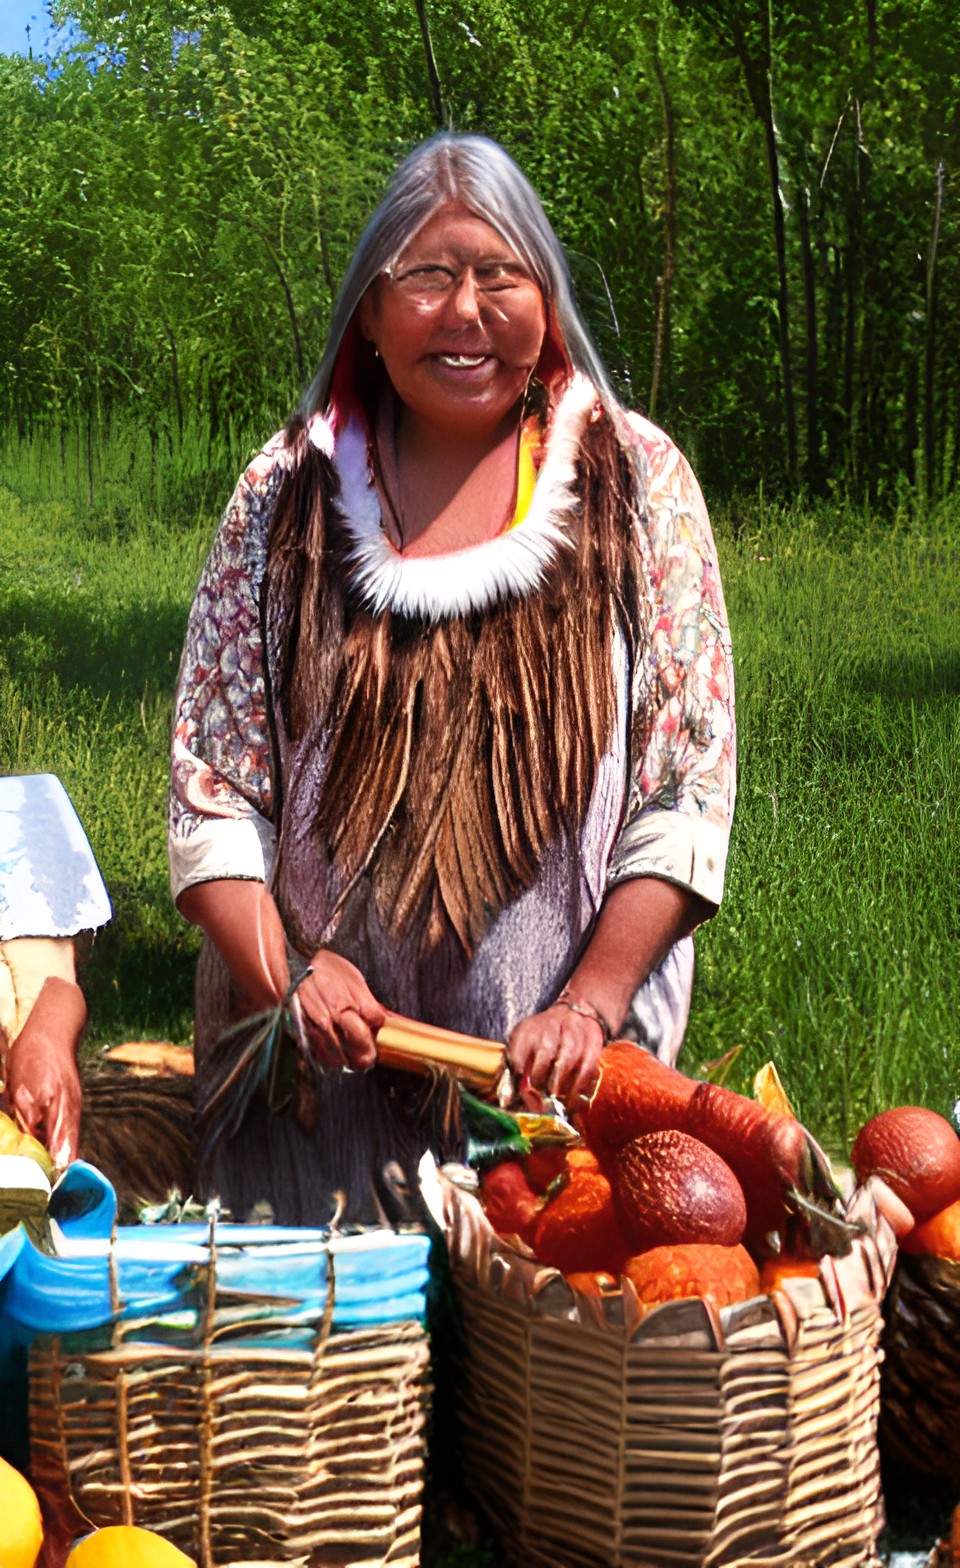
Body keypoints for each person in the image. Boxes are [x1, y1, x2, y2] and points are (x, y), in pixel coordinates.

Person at [169, 132, 735, 1225]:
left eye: (500, 273)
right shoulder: (286, 493)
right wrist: (285, 975)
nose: (465, 309)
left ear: (549, 305)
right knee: (328, 1376)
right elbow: (212, 786)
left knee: (539, 1367)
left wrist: (588, 1003)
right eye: (426, 276)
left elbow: (687, 782)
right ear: (370, 314)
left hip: (554, 1095)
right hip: (310, 1091)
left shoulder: (634, 483)